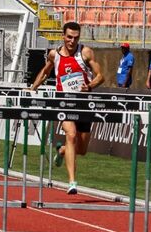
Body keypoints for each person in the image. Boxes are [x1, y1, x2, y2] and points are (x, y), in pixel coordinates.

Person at [29, 21, 105, 195]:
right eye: (69, 37)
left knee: (82, 150)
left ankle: (62, 150)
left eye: (76, 38)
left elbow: (101, 76)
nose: (72, 41)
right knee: (70, 135)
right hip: (64, 104)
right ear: (63, 36)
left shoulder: (85, 52)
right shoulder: (54, 54)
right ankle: (72, 182)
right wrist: (32, 89)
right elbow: (45, 72)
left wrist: (90, 85)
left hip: (84, 105)